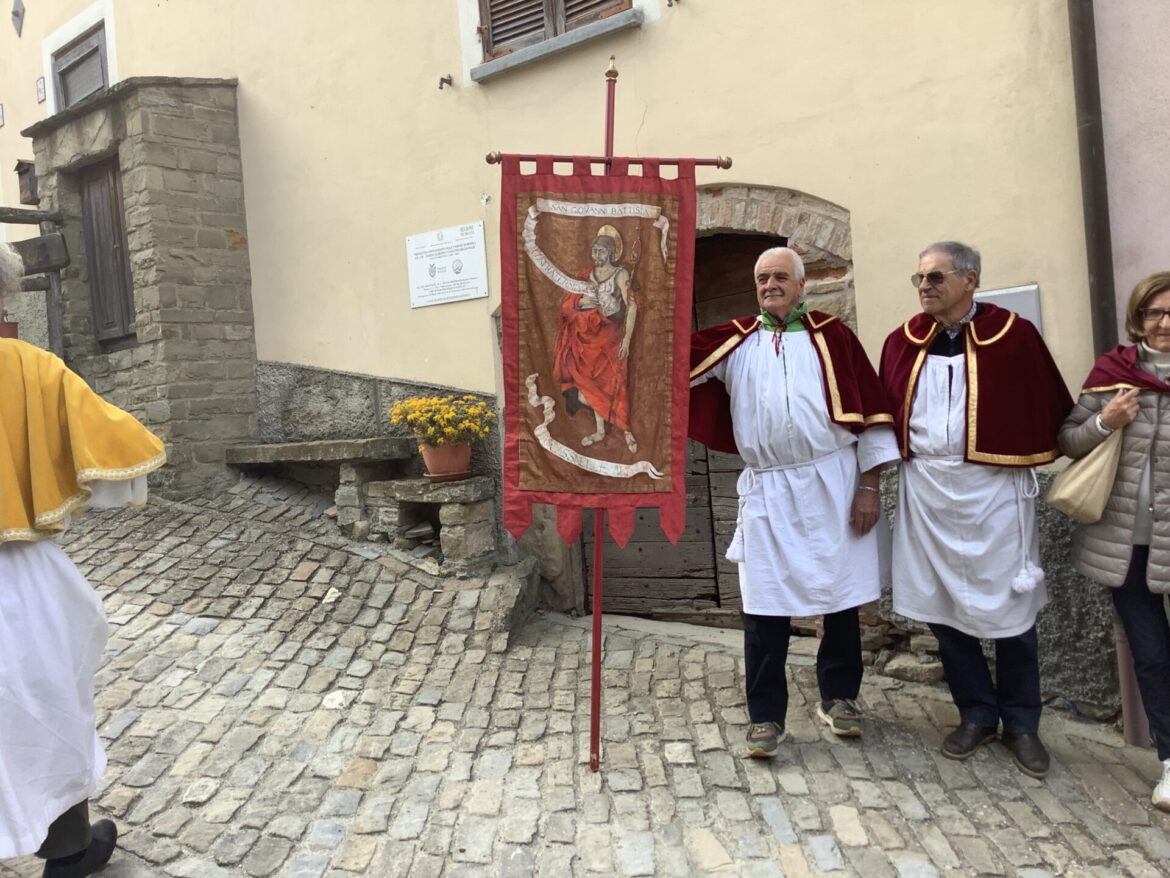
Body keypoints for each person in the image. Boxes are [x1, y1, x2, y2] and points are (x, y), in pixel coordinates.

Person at [690, 246, 899, 757]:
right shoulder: (737, 343)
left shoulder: (835, 337)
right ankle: (766, 716)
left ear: (802, 285)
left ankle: (840, 697)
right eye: (762, 278)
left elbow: (872, 414)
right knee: (764, 603)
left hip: (834, 481)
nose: (770, 285)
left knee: (841, 596)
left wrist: (869, 487)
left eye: (781, 277)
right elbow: (669, 367)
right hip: (769, 488)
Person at [0, 242, 166, 875]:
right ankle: (68, 854)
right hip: (15, 575)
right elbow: (124, 452)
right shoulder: (31, 368)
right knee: (42, 708)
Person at [880, 241, 1072, 777]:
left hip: (995, 490)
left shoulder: (1014, 337)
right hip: (926, 489)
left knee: (1012, 609)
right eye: (919, 278)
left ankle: (1023, 723)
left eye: (936, 277)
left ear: (971, 280)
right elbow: (883, 413)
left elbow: (1045, 405)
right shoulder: (901, 342)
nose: (925, 286)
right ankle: (976, 714)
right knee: (943, 607)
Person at [1056, 270, 1170, 812]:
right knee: (1152, 656)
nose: (1164, 322)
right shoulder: (1113, 375)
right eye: (1155, 312)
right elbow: (1069, 441)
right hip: (1127, 545)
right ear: (1138, 318)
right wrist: (1105, 420)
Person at [552, 226, 638, 453]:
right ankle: (600, 431)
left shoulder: (620, 274)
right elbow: (567, 305)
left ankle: (626, 430)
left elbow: (632, 307)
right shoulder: (586, 276)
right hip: (586, 340)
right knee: (588, 387)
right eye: (594, 251)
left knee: (614, 385)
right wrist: (581, 303)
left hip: (610, 338)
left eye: (601, 251)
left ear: (610, 252)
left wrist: (627, 340)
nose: (596, 255)